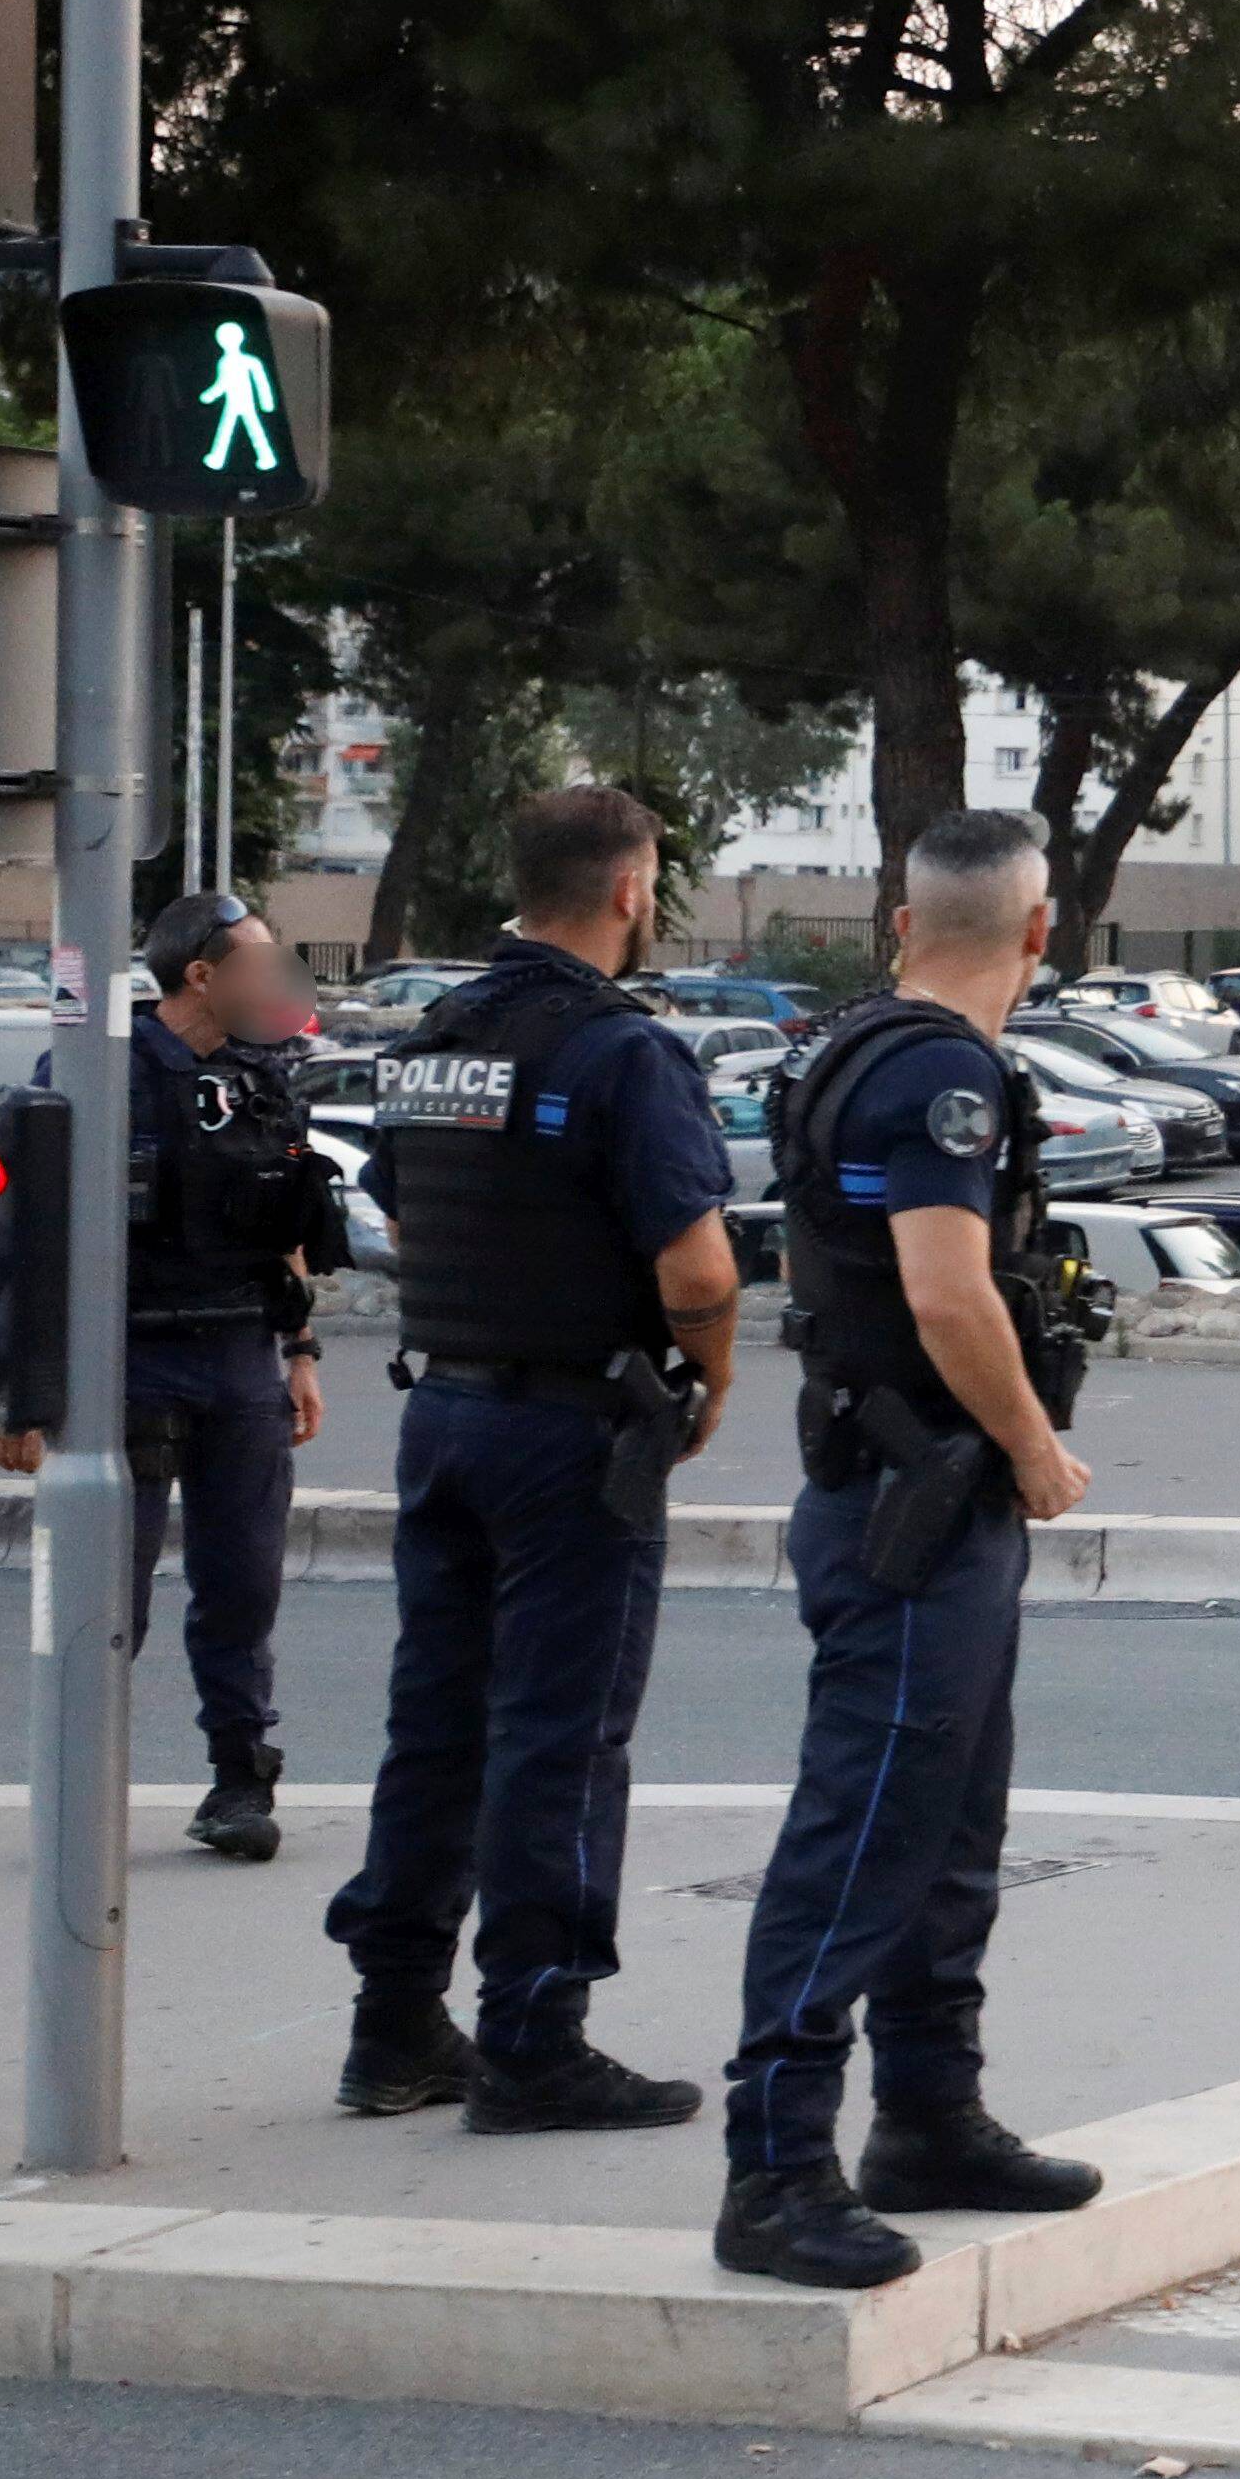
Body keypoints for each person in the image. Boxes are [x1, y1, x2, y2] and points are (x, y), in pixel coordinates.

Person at [714, 808, 1106, 2288]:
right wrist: (1032, 1448)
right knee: (867, 1834)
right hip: (920, 1503)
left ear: (898, 923)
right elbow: (946, 1294)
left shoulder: (847, 1044)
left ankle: (929, 2119)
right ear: (1037, 932)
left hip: (905, 1497)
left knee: (948, 1834)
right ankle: (775, 2169)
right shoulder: (943, 1074)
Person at [320, 785, 739, 2134]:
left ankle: (392, 2028)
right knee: (560, 1737)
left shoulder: (435, 1035)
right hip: (572, 1431)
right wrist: (711, 1373)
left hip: (441, 1412)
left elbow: (397, 1200)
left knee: (434, 1729)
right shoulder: (623, 1052)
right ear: (629, 889)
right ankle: (534, 2037)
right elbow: (696, 1263)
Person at [0, 886, 345, 1860]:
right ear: (202, 975)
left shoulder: (265, 1075)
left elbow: (286, 1229)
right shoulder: (94, 1071)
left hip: (239, 1363)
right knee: (109, 1598)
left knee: (242, 1590)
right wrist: (19, 1387)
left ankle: (239, 1784)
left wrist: (299, 1353)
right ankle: (77, 1787)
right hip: (124, 1363)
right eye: (260, 962)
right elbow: (28, 1237)